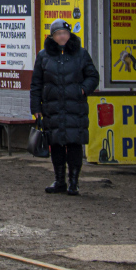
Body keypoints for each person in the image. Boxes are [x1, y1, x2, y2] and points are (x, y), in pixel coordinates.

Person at [30, 19, 100, 195]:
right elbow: (36, 84)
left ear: (70, 35)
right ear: (52, 37)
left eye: (65, 34)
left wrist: (82, 90)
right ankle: (59, 181)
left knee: (74, 144)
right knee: (57, 145)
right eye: (58, 34)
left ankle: (74, 183)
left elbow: (93, 76)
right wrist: (35, 108)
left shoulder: (81, 54)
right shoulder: (43, 55)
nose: (62, 37)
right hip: (52, 109)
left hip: (75, 107)